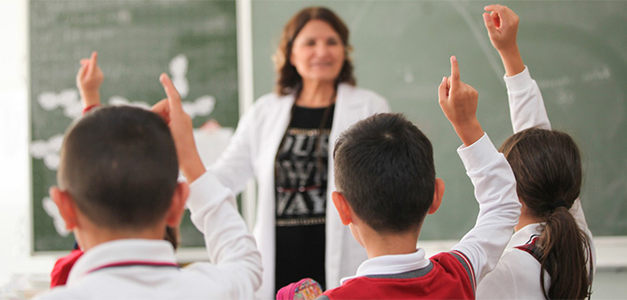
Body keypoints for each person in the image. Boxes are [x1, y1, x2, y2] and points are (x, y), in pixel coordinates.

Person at [34, 52, 261, 299]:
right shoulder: (213, 291)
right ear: (177, 203)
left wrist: (90, 101)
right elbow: (244, 260)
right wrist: (189, 160)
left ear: (64, 208)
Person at [202, 6, 390, 297]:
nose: (322, 52)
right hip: (280, 260)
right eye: (310, 43)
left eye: (332, 42)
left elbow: (389, 185)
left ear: (344, 51)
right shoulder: (265, 112)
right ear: (291, 53)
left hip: (345, 258)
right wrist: (176, 170)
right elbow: (226, 175)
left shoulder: (369, 108)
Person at [308, 53, 522, 298]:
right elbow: (503, 204)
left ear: (342, 207)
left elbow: (502, 205)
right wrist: (467, 123)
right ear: (436, 195)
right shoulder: (459, 273)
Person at [471, 5, 595, 299]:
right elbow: (540, 142)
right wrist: (510, 53)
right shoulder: (578, 244)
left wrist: (468, 127)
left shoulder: (507, 271)